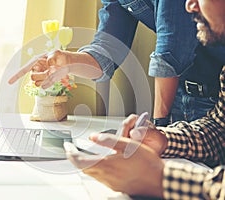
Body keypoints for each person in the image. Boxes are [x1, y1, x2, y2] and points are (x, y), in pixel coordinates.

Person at [64, 0, 225, 198]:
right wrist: (164, 139)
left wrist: (160, 178)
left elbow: (170, 52)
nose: (189, 5)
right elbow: (220, 132)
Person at [9, 0, 225, 126]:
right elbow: (108, 47)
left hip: (213, 97)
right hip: (180, 95)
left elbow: (170, 53)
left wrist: (158, 129)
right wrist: (69, 61)